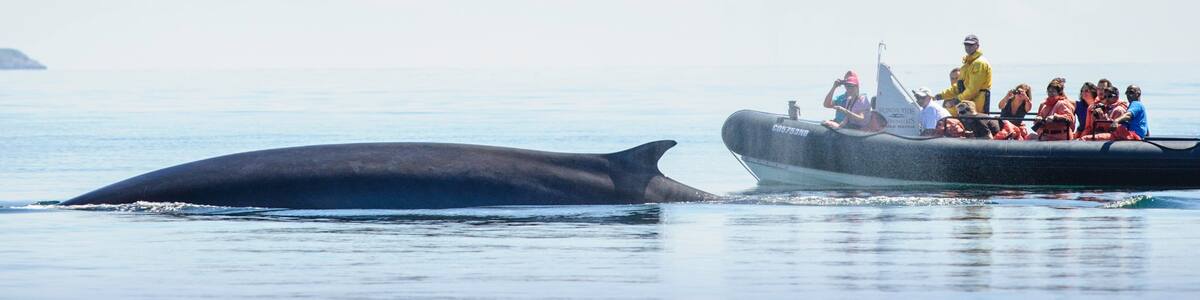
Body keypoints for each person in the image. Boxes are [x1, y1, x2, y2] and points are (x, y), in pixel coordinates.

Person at [937, 35, 992, 114]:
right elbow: (959, 86)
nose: (968, 47)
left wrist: (956, 100)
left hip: (977, 106)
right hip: (966, 105)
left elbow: (973, 89)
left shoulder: (979, 63)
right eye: (966, 44)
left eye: (971, 45)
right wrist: (939, 96)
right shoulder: (967, 64)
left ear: (977, 46)